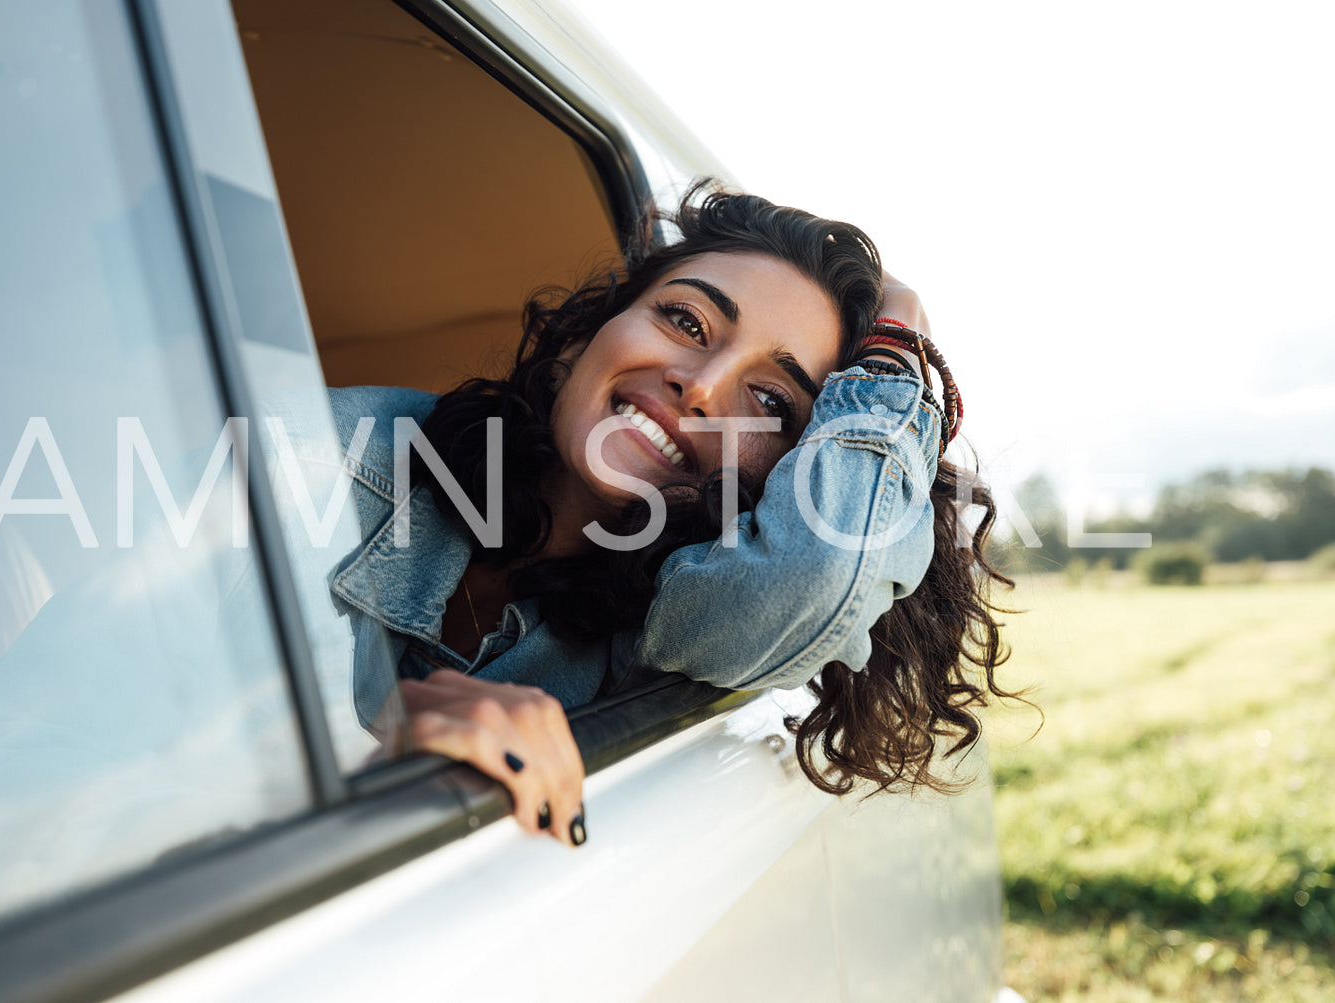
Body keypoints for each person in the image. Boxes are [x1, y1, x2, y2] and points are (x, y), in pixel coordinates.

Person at [322, 183, 1013, 847]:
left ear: (782, 484)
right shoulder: (328, 455)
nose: (703, 387)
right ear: (580, 340)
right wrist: (355, 740)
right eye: (686, 320)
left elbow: (817, 570)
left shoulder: (683, 617)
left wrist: (895, 345)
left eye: (771, 402)